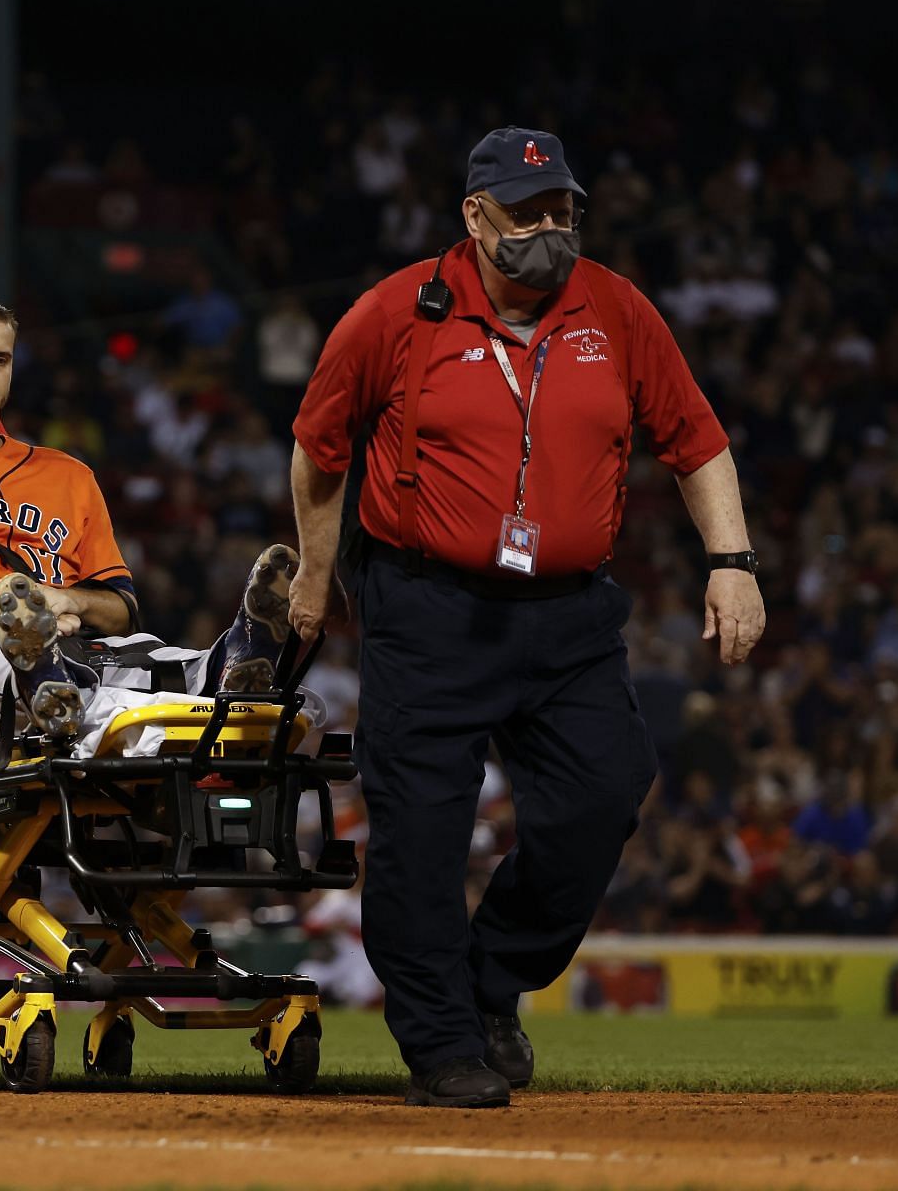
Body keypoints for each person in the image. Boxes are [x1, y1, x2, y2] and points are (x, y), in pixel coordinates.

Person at [287, 126, 766, 1108]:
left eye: (564, 210)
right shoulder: (393, 313)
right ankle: (442, 1041)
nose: (552, 228)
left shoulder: (617, 309)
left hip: (566, 614)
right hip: (427, 605)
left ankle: (491, 977)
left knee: (605, 791)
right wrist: (313, 577)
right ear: (475, 215)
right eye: (530, 211)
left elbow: (697, 440)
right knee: (421, 832)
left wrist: (733, 561)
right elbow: (319, 449)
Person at [0, 292, 302, 768]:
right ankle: (37, 683)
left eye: (0, 358)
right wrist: (6, 611)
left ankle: (225, 663)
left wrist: (67, 600)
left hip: (68, 644)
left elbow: (121, 611)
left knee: (142, 655)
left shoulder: (68, 475)